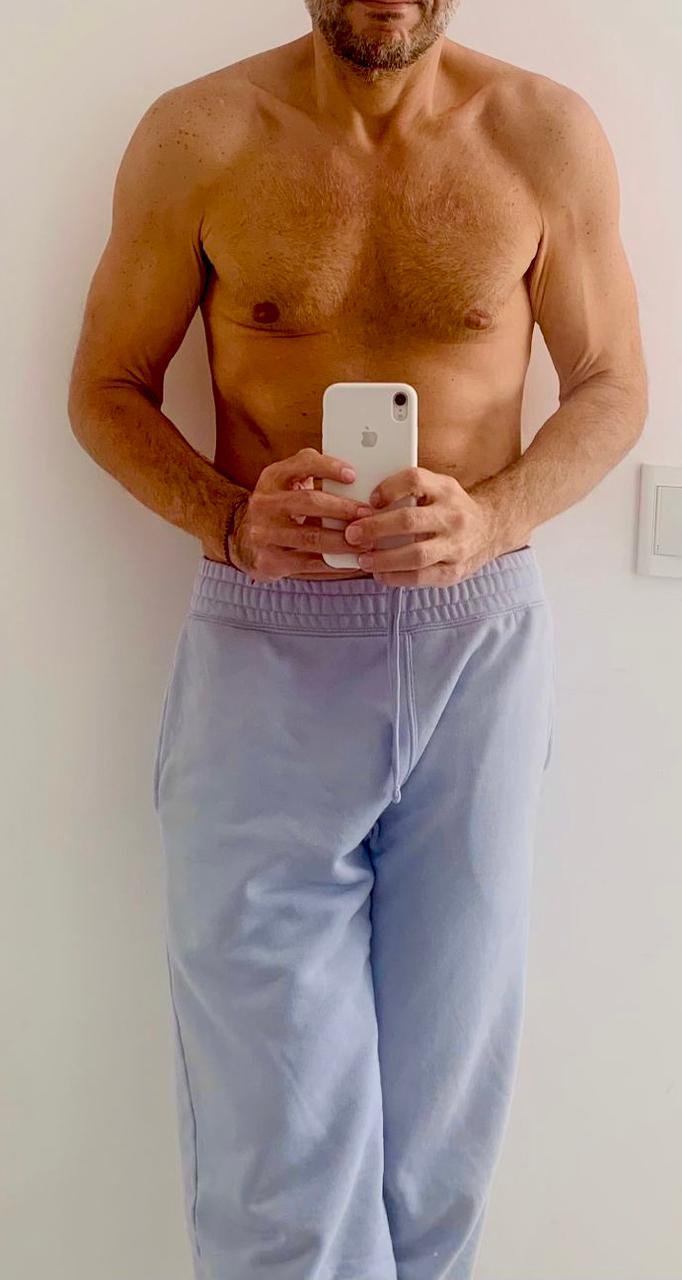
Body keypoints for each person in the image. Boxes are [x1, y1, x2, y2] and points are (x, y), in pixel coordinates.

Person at [67, 3, 648, 1277]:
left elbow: (612, 383)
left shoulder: (541, 134)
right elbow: (104, 387)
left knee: (441, 1124)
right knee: (274, 1122)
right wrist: (226, 516)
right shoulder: (200, 135)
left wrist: (492, 516)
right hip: (265, 644)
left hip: (473, 645)